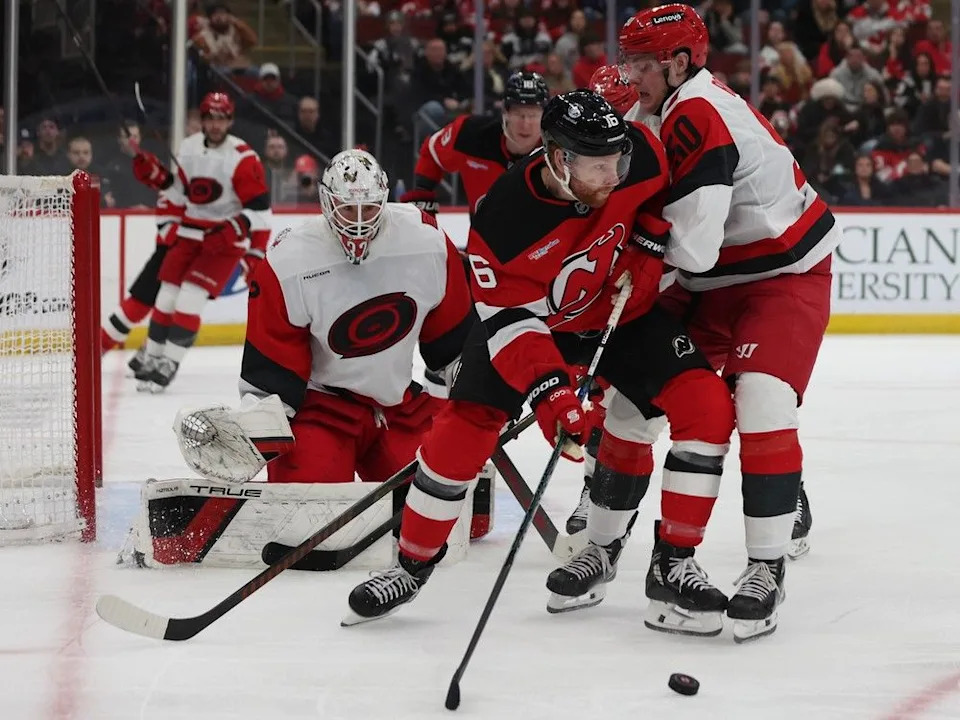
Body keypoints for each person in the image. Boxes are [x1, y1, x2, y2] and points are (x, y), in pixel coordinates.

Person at [344, 91, 737, 633]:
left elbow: (659, 191)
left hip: (619, 315)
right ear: (556, 159)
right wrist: (554, 394)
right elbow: (511, 326)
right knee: (459, 434)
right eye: (599, 167)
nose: (614, 175)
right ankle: (412, 563)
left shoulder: (635, 152)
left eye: (617, 161)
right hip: (528, 328)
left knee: (708, 407)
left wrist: (649, 242)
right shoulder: (501, 221)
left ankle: (673, 564)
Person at [618, 3, 842, 640]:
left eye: (640, 61)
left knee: (763, 403)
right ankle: (605, 539)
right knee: (634, 398)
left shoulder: (697, 112)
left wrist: (635, 271)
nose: (629, 71)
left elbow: (692, 248)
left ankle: (765, 567)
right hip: (714, 283)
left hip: (781, 274)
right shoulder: (653, 108)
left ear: (679, 62)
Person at [238, 148, 473, 488]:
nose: (359, 220)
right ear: (327, 202)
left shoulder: (427, 243)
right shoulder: (289, 260)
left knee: (442, 507)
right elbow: (272, 367)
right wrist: (260, 427)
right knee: (309, 515)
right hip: (322, 411)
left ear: (385, 201)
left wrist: (480, 398)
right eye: (348, 208)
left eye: (370, 208)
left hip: (398, 408)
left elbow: (451, 343)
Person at [130, 91, 273, 391]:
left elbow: (261, 210)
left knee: (189, 299)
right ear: (203, 120)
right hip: (188, 234)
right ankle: (152, 357)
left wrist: (253, 248)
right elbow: (183, 192)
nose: (216, 125)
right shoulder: (189, 147)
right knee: (165, 298)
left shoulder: (243, 158)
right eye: (210, 118)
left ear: (230, 121)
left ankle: (169, 360)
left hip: (222, 242)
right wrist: (157, 176)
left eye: (222, 119)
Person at [400, 71, 549, 217]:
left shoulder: (557, 150)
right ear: (505, 112)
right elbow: (432, 151)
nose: (526, 123)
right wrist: (423, 194)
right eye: (518, 114)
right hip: (483, 238)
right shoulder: (470, 133)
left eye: (533, 115)